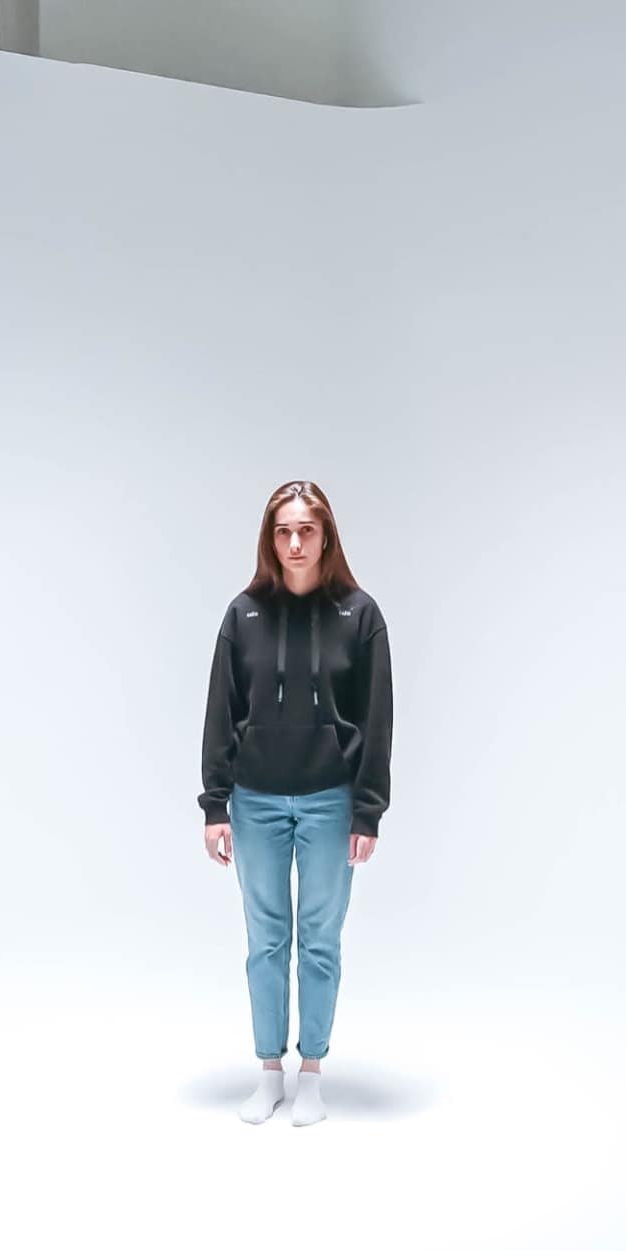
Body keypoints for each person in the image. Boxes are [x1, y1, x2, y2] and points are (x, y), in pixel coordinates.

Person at [200, 481, 392, 1127]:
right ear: (269, 539)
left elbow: (377, 716)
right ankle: (268, 1072)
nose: (295, 543)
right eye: (283, 530)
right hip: (254, 799)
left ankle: (311, 1073)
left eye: (307, 529)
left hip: (329, 802)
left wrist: (368, 810)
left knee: (318, 942)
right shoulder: (244, 614)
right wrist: (215, 804)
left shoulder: (358, 615)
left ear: (327, 536)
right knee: (265, 941)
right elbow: (220, 712)